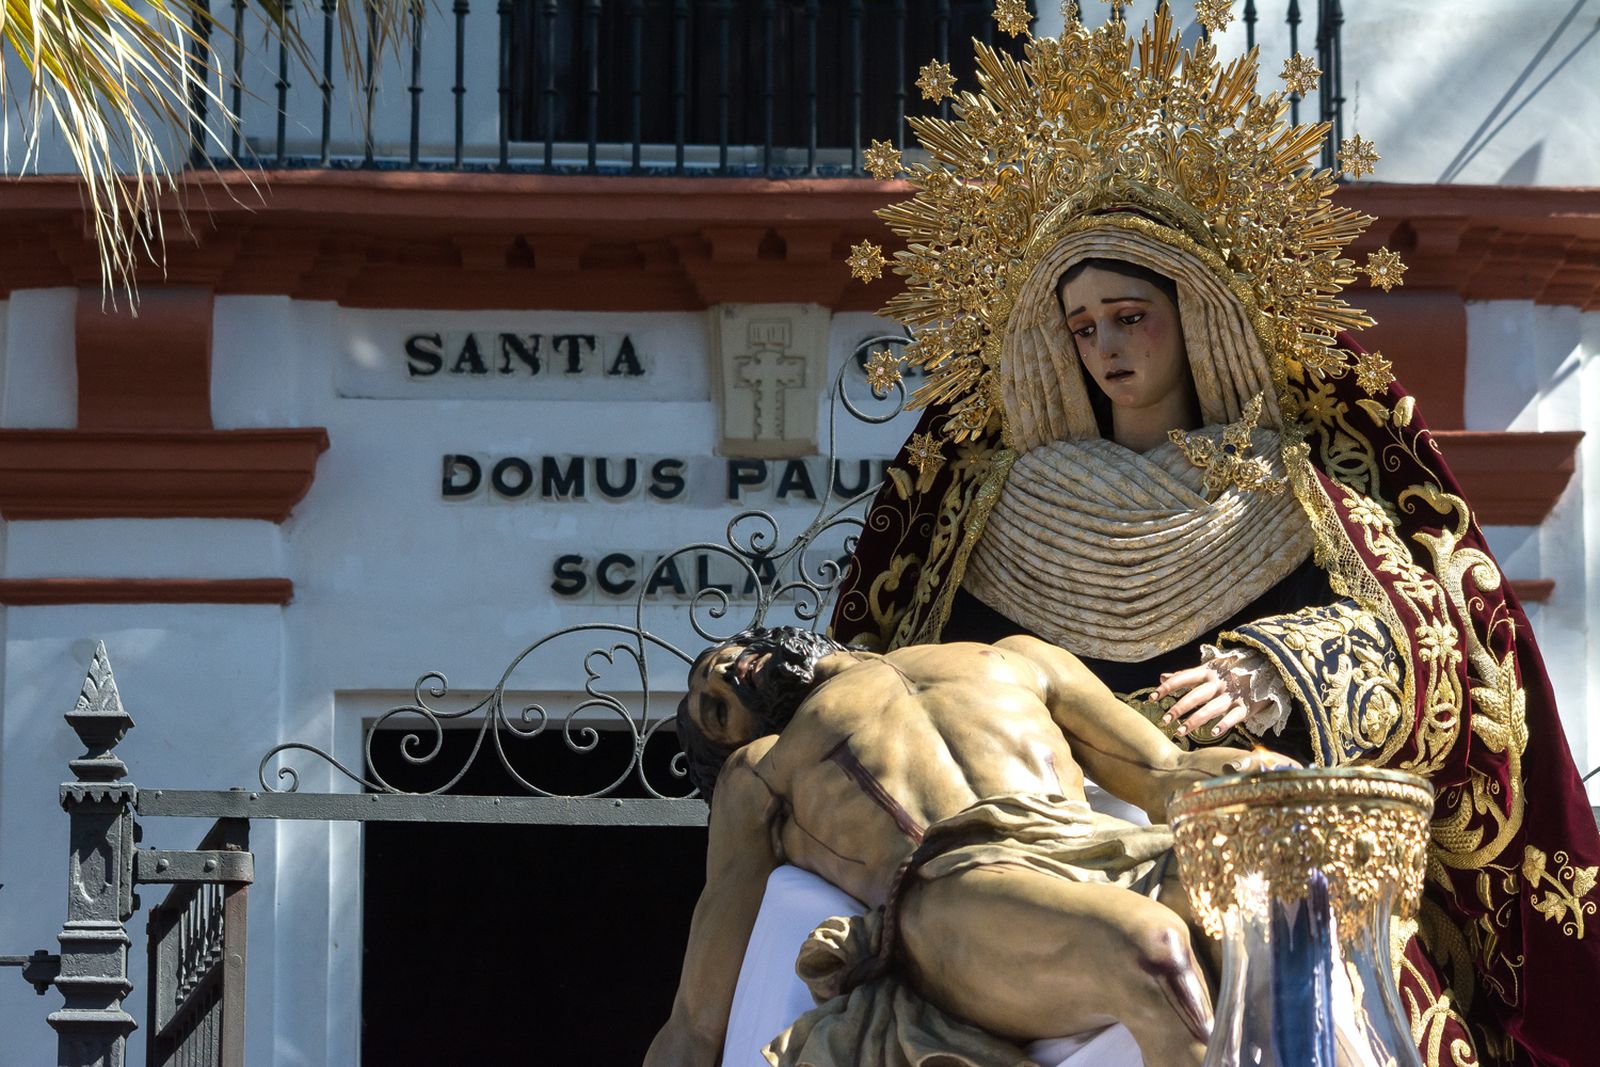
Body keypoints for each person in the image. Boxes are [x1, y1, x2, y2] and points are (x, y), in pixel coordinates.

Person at [829, 9, 1600, 1064]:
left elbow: (1427, 646)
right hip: (1046, 855)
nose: (1103, 345)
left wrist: (1276, 671)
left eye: (1127, 314)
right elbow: (907, 677)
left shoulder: (1295, 482)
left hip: (1252, 836)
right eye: (1080, 324)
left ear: (1193, 313)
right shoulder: (995, 506)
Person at [645, 625, 1291, 1067]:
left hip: (1108, 850)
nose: (725, 675)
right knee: (1147, 948)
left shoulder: (1009, 654)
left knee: (1279, 898)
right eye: (717, 707)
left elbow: (1162, 772)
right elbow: (698, 1017)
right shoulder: (763, 768)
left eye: (718, 662)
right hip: (960, 882)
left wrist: (1259, 780)